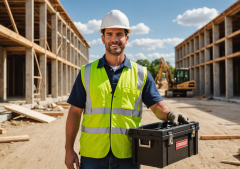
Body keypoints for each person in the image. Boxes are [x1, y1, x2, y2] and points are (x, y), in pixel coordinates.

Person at [65, 10, 190, 169]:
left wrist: (170, 114)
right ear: (103, 38)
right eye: (109, 34)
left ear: (127, 38)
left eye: (119, 34)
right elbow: (74, 112)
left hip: (128, 154)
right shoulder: (86, 72)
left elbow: (156, 106)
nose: (114, 39)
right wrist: (69, 150)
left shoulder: (141, 73)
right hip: (92, 155)